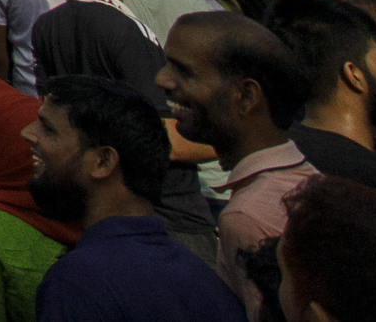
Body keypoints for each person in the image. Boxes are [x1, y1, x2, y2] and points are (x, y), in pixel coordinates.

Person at [27, 75, 242, 322]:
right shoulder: (201, 277)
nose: (28, 134)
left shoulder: (79, 282)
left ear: (103, 161)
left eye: (48, 129)